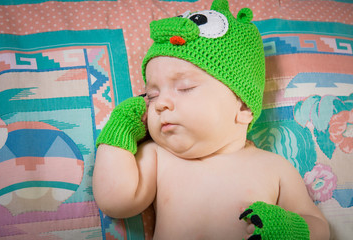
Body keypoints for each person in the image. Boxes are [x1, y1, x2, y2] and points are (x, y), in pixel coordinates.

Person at [93, 0, 330, 239]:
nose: (160, 103)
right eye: (152, 95)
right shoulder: (158, 157)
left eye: (185, 88)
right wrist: (120, 129)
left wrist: (290, 229)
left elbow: (318, 225)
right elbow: (116, 200)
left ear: (243, 106)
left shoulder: (274, 167)